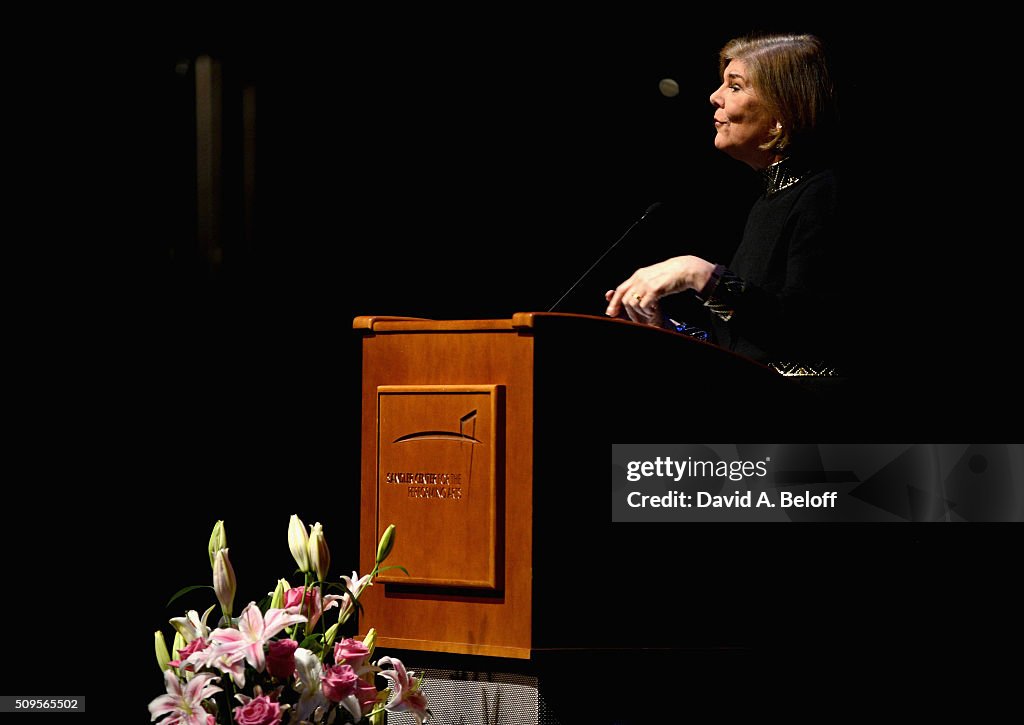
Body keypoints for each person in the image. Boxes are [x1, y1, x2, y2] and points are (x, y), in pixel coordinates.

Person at [604, 33, 854, 380]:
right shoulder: (768, 202)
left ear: (782, 113)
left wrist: (700, 274)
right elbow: (750, 349)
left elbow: (807, 335)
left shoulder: (828, 194)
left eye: (734, 87)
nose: (714, 97)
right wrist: (667, 330)